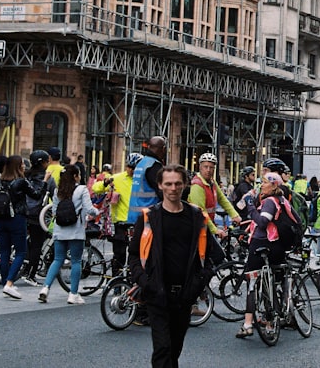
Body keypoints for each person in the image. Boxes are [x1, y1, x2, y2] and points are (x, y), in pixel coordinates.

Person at [130, 164, 224, 367]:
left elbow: (211, 256)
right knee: (162, 347)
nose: (173, 188)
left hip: (185, 294)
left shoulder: (196, 217)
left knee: (175, 348)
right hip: (157, 292)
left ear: (185, 185)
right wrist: (146, 282)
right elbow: (134, 256)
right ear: (160, 186)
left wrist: (199, 282)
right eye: (168, 184)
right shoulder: (148, 217)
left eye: (178, 184)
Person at [236, 172, 301, 338]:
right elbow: (238, 206)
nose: (261, 185)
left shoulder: (270, 202)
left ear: (274, 185)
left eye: (264, 182)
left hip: (261, 244)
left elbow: (263, 222)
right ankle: (274, 319)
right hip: (277, 246)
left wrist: (250, 205)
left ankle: (248, 324)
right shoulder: (282, 200)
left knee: (252, 283)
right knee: (270, 281)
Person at [39, 164, 99, 304]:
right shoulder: (81, 189)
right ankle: (73, 294)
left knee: (57, 259)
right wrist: (97, 213)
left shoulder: (57, 191)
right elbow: (89, 209)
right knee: (76, 261)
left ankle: (45, 288)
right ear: (75, 176)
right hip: (76, 231)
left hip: (60, 230)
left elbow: (54, 211)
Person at [0, 155, 44, 299]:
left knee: (4, 252)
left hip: (1, 219)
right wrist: (45, 182)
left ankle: (5, 283)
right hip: (17, 218)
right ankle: (9, 284)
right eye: (22, 164)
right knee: (21, 252)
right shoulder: (21, 182)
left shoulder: (1, 181)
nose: (24, 166)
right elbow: (36, 195)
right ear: (17, 166)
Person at [95, 153, 137, 276]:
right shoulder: (117, 178)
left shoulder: (142, 180)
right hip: (119, 222)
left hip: (136, 222)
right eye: (129, 166)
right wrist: (105, 183)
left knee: (135, 255)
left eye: (134, 168)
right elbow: (95, 188)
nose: (131, 170)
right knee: (119, 254)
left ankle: (131, 280)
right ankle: (116, 282)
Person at [19, 149, 54, 285]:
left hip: (23, 212)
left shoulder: (26, 175)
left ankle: (24, 265)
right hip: (38, 215)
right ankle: (30, 273)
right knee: (37, 245)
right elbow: (54, 195)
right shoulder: (47, 178)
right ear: (44, 162)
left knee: (28, 243)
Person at [188, 152, 240, 237]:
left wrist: (234, 215)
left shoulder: (212, 182)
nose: (208, 170)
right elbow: (201, 212)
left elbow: (222, 199)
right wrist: (214, 230)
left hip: (207, 225)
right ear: (200, 167)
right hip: (197, 227)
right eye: (206, 167)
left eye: (211, 167)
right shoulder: (197, 185)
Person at [128, 137, 167, 225]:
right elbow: (162, 191)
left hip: (135, 214)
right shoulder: (154, 166)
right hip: (149, 216)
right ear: (163, 149)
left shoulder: (142, 163)